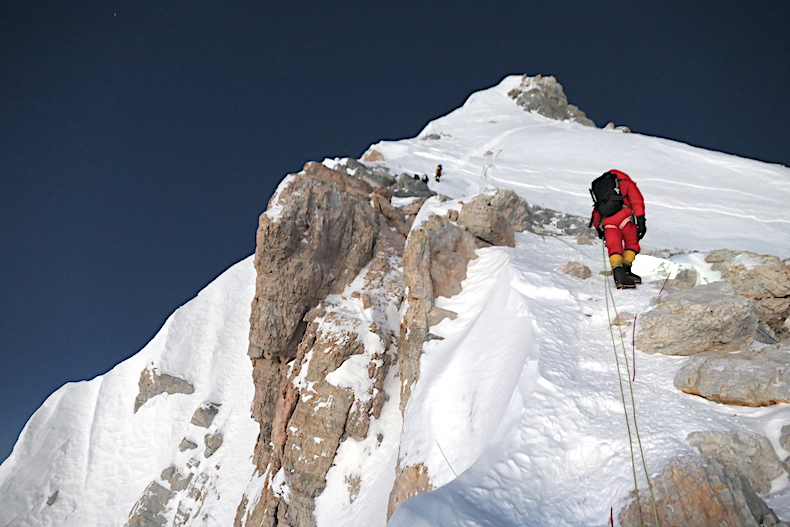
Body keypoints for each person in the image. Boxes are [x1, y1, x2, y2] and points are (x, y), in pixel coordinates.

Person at [589, 170, 647, 289]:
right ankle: (626, 270)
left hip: (608, 221)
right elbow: (637, 201)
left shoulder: (602, 188)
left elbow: (597, 208)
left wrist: (598, 228)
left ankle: (619, 274)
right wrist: (641, 220)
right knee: (632, 243)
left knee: (614, 246)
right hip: (624, 217)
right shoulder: (627, 183)